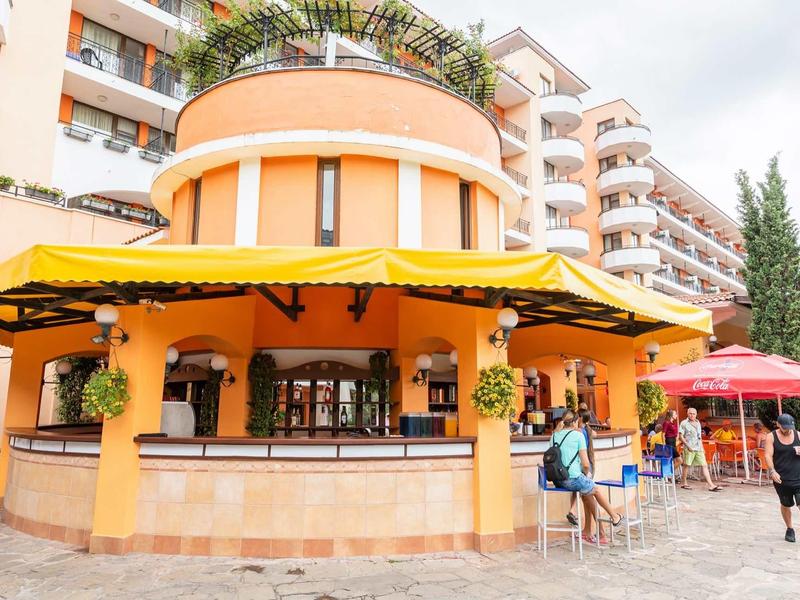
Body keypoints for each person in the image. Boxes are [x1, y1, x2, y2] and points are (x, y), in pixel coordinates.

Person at [549, 410, 624, 545]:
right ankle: (614, 516)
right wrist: (586, 473)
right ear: (575, 421)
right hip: (572, 479)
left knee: (588, 493)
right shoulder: (578, 436)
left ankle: (589, 531)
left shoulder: (554, 436)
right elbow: (585, 463)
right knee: (595, 489)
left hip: (558, 480)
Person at [765, 414, 800, 542]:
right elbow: (768, 455)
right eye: (785, 427)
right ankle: (790, 529)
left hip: (798, 476)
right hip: (781, 478)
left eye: (790, 427)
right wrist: (772, 471)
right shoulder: (771, 437)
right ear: (778, 425)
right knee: (786, 504)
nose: (788, 430)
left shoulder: (798, 435)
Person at [678, 407, 722, 492]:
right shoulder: (684, 423)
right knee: (686, 465)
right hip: (689, 448)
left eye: (693, 414)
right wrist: (687, 445)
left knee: (704, 465)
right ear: (687, 414)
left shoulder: (698, 423)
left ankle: (711, 485)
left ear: (696, 414)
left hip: (698, 448)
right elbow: (680, 436)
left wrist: (702, 448)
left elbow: (699, 437)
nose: (692, 415)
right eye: (690, 413)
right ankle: (684, 482)